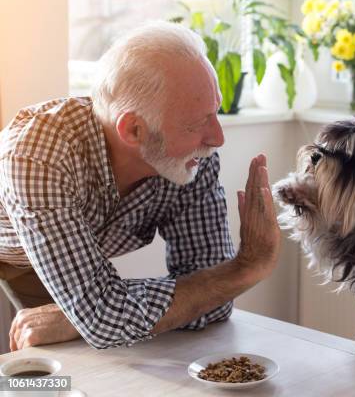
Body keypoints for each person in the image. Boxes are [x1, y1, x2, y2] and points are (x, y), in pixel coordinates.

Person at [0, 21, 280, 351]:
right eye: (196, 123)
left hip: (74, 254)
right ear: (134, 130)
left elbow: (215, 300)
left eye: (215, 111)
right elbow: (105, 319)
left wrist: (90, 314)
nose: (217, 138)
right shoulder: (38, 155)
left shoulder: (192, 158)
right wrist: (248, 267)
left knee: (83, 358)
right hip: (11, 254)